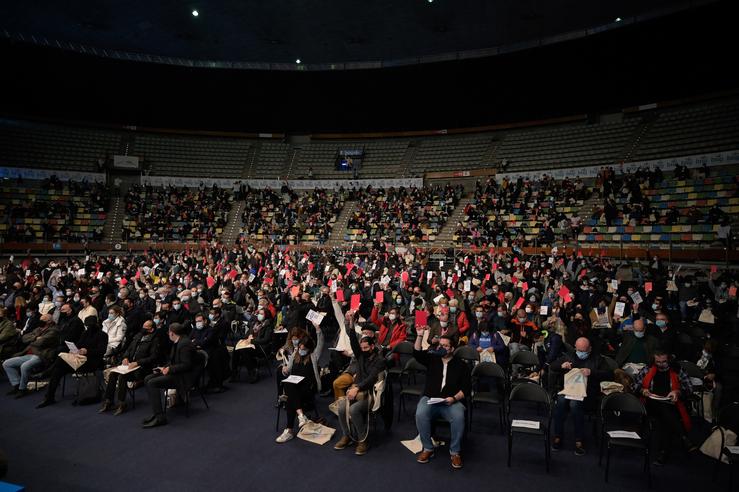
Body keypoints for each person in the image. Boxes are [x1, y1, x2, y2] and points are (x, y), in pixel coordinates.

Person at [413, 326, 471, 469]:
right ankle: (427, 448)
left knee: (458, 416)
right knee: (420, 413)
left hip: (451, 401)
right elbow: (416, 353)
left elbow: (467, 389)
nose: (442, 348)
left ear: (452, 349)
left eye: (445, 346)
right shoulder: (433, 358)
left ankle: (455, 452)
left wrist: (454, 398)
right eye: (440, 345)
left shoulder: (461, 365)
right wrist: (420, 336)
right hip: (431, 399)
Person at [551, 337, 613, 456]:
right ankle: (558, 436)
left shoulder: (597, 359)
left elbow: (610, 374)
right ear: (575, 348)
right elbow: (553, 366)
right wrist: (561, 366)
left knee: (575, 404)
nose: (581, 353)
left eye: (583, 350)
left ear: (589, 349)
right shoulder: (569, 356)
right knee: (561, 400)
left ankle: (579, 439)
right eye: (578, 350)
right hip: (569, 389)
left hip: (587, 393)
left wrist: (592, 372)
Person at [334, 314, 386, 455]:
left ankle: (362, 440)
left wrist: (356, 387)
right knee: (341, 407)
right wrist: (351, 322)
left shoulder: (380, 360)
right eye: (361, 347)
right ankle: (347, 435)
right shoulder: (361, 355)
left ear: (372, 346)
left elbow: (371, 378)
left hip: (370, 394)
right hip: (356, 391)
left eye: (365, 347)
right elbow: (352, 340)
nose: (362, 350)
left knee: (353, 410)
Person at [633, 350, 696, 465]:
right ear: (654, 360)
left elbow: (689, 388)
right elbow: (635, 385)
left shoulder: (677, 370)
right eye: (658, 362)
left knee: (665, 416)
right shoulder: (648, 368)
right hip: (650, 403)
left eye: (664, 362)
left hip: (672, 404)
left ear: (669, 360)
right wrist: (643, 390)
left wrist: (677, 392)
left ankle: (663, 452)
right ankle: (683, 438)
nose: (661, 364)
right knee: (665, 411)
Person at [36, 316, 108, 408]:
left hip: (91, 362)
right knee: (58, 370)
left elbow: (102, 351)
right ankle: (49, 397)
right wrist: (75, 350)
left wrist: (87, 351)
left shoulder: (103, 335)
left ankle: (46, 373)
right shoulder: (85, 333)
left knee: (59, 363)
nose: (89, 328)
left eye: (90, 326)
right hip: (79, 360)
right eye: (87, 326)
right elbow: (79, 345)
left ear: (96, 324)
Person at [275, 324, 324, 443]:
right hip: (295, 387)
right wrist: (285, 370)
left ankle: (289, 430)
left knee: (290, 395)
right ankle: (300, 416)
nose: (301, 350)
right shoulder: (295, 355)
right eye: (300, 348)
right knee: (289, 387)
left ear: (309, 348)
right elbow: (288, 370)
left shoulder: (313, 356)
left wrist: (318, 329)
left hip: (308, 387)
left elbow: (321, 342)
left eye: (304, 349)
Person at [99, 319, 160, 415]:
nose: (143, 328)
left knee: (123, 377)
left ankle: (121, 403)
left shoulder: (155, 340)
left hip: (142, 368)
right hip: (129, 365)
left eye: (145, 327)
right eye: (143, 326)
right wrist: (126, 357)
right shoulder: (138, 336)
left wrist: (138, 363)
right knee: (113, 374)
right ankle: (109, 401)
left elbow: (153, 357)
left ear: (151, 330)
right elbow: (128, 349)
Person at [142, 323, 195, 428]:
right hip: (176, 373)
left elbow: (187, 365)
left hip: (183, 377)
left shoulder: (184, 344)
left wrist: (170, 369)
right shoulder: (178, 341)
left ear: (172, 333)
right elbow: (173, 361)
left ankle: (160, 417)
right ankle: (156, 411)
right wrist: (163, 368)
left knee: (152, 383)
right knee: (147, 378)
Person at [3, 314, 59, 398]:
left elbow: (40, 342)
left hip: (41, 355)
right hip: (28, 353)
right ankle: (17, 386)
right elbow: (24, 338)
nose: (40, 321)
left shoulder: (54, 330)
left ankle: (23, 389)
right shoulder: (38, 329)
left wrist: (34, 340)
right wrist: (36, 338)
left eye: (43, 320)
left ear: (49, 321)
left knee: (24, 366)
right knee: (7, 363)